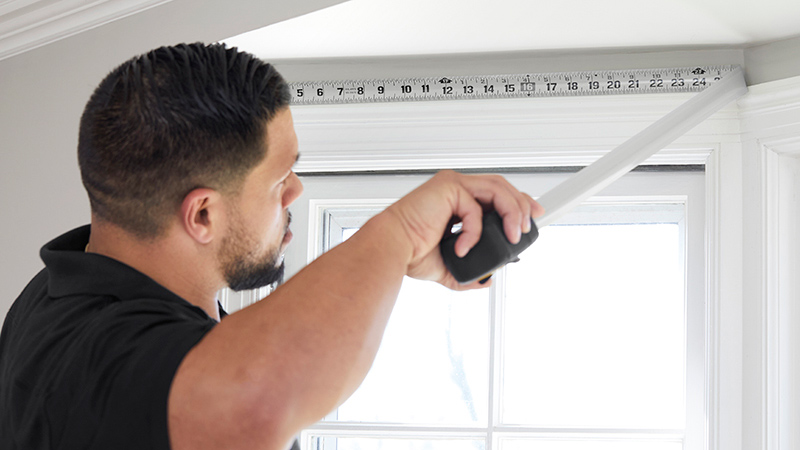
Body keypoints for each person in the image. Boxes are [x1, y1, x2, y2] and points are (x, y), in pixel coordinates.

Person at [0, 42, 543, 450]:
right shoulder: (96, 353)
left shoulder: (63, 285)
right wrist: (397, 233)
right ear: (203, 214)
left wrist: (390, 262)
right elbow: (256, 403)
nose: (296, 191)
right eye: (280, 178)